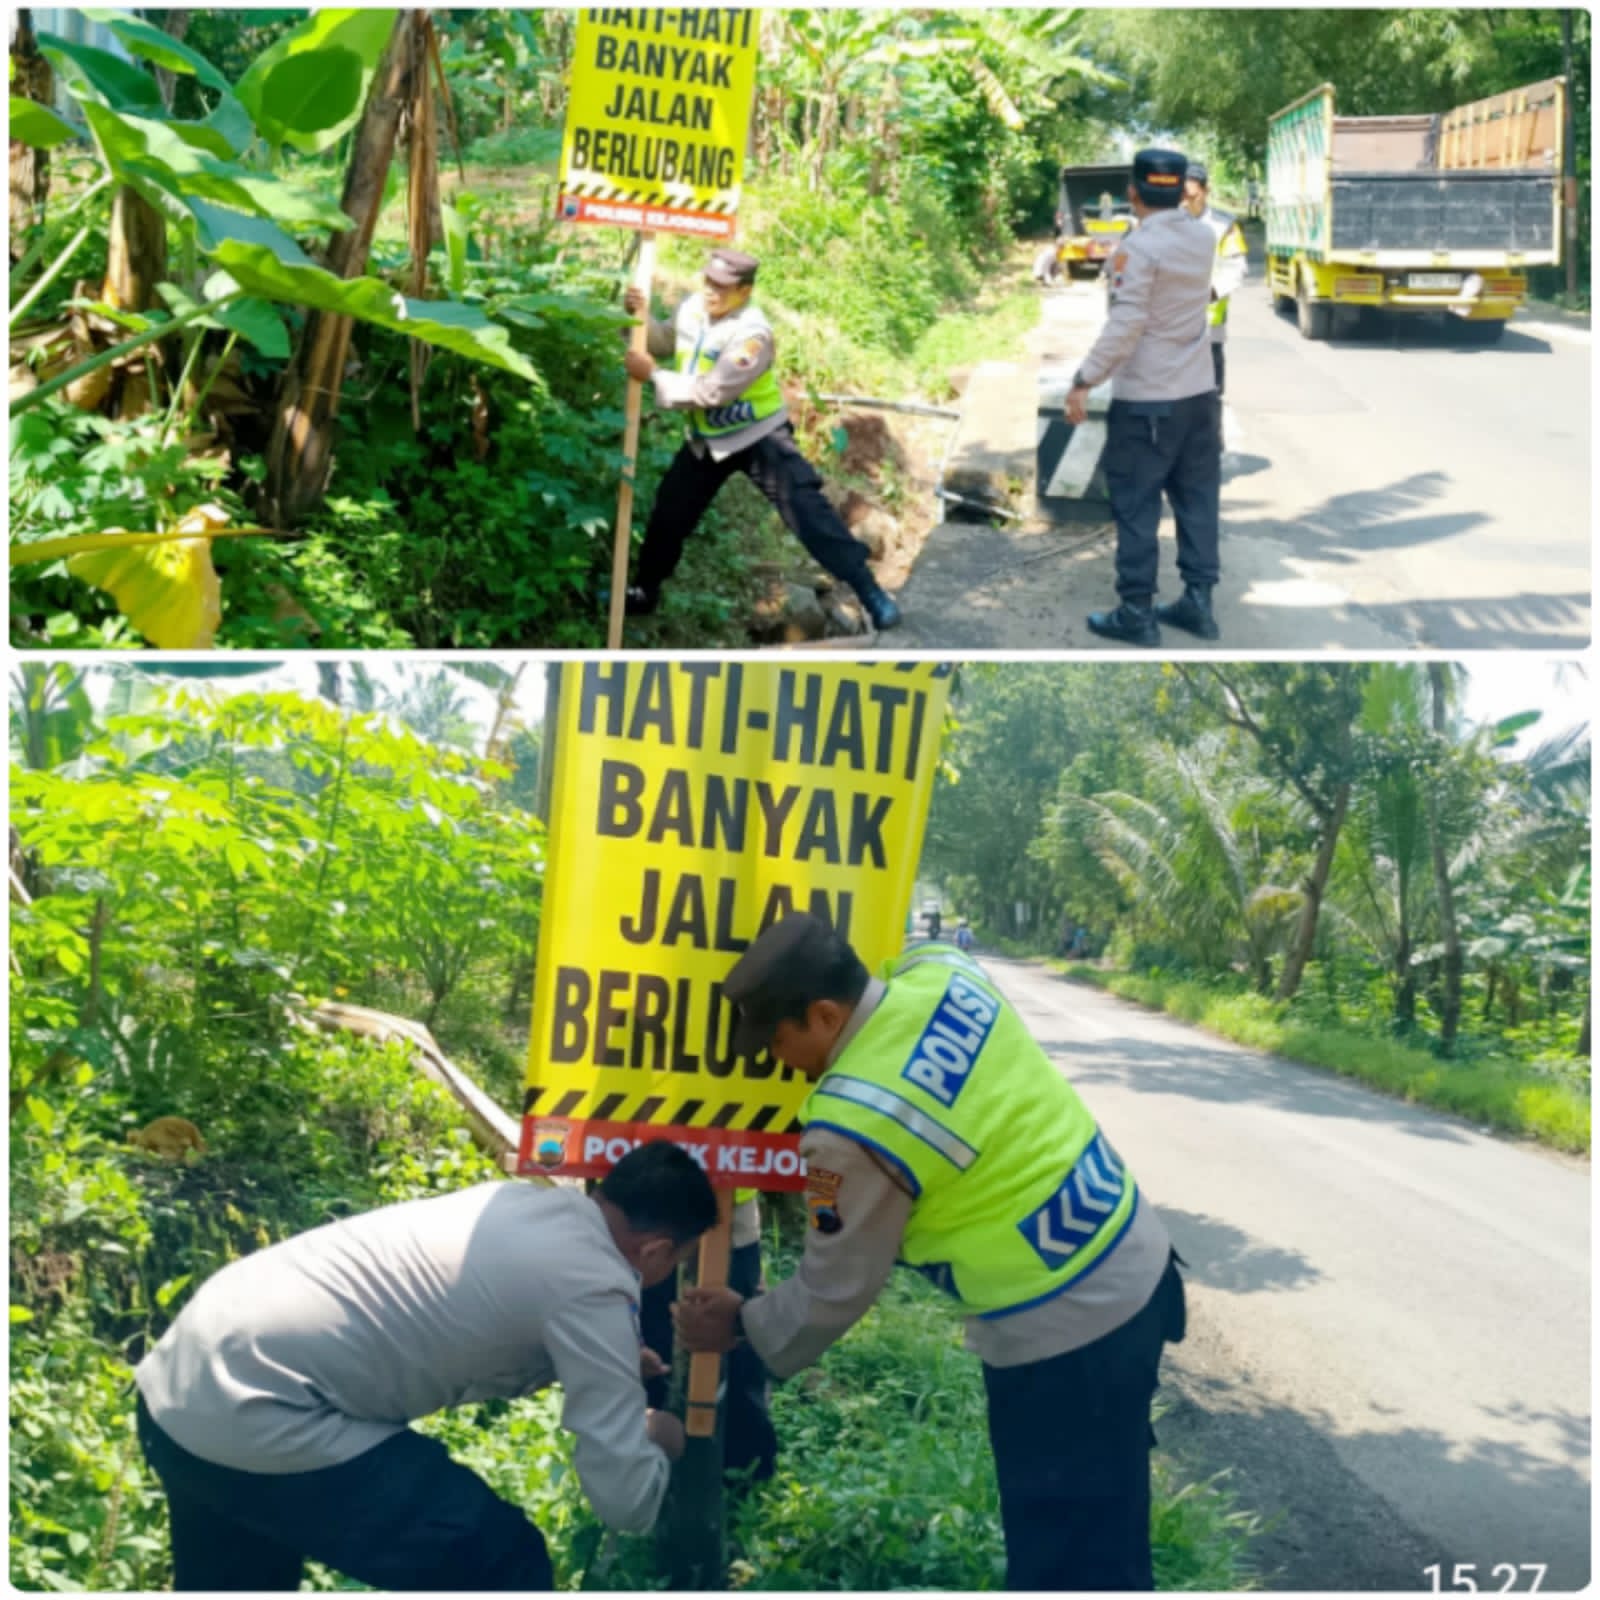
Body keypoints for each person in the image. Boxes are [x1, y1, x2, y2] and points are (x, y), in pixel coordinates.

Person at [674, 913, 1187, 1592]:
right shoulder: (944, 971)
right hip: (1133, 1252)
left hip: (1066, 1332)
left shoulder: (851, 1124)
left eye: (776, 1040)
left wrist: (740, 1324)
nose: (775, 1059)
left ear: (825, 1015)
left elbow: (834, 1286)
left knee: (1065, 1559)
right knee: (1109, 1525)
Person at [135, 1144, 717, 1591]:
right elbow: (624, 1502)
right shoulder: (595, 1286)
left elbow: (480, 1316)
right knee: (500, 1562)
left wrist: (598, 1368)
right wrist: (657, 1436)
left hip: (182, 1381)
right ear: (657, 1250)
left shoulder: (522, 1205)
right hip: (262, 1409)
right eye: (678, 1260)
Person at [620, 249, 901, 631]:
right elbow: (664, 340)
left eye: (722, 286)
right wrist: (638, 317)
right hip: (708, 440)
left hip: (759, 437)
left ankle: (870, 593)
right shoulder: (691, 308)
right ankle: (644, 591)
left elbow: (712, 391)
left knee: (810, 514)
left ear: (745, 291)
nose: (711, 291)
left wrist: (653, 374)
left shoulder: (753, 335)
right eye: (708, 281)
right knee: (669, 514)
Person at [1063, 148, 1221, 648]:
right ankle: (1198, 602)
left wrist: (1084, 379)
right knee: (1198, 500)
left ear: (1132, 192)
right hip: (1200, 396)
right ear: (1181, 192)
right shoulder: (1203, 237)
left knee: (1136, 505)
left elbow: (1126, 324)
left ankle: (1136, 611)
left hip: (1149, 400)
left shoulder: (1138, 249)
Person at [637, 1189, 778, 1485]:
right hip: (647, 1211)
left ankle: (744, 1480)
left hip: (730, 1217)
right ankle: (653, 1476)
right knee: (651, 1355)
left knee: (737, 1353)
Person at [1182, 162, 1249, 398]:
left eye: (1192, 196)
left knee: (1211, 388)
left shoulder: (1224, 225)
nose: (1186, 202)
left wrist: (1211, 293)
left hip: (1210, 318)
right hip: (1174, 320)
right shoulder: (1168, 222)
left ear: (1205, 191)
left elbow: (1236, 268)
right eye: (1182, 196)